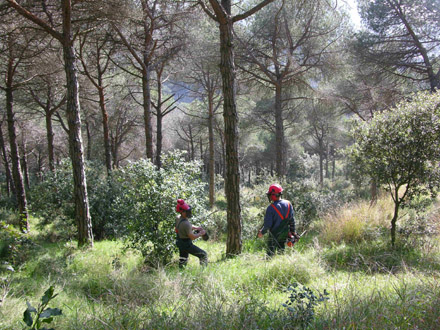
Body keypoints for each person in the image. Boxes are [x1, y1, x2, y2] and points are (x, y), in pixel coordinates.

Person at [257, 184, 299, 257]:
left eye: (270, 194)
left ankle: (269, 264)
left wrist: (262, 232)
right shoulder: (288, 204)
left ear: (273, 195)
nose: (269, 196)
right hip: (285, 232)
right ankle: (281, 263)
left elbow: (268, 224)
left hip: (274, 234)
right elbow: (292, 221)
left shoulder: (270, 208)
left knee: (270, 254)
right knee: (281, 252)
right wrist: (293, 233)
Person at [175, 199, 208, 268]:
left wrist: (196, 228)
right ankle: (203, 272)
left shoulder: (178, 218)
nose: (189, 213)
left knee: (183, 260)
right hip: (186, 244)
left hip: (179, 242)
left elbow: (186, 227)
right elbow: (192, 237)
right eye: (187, 211)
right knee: (203, 255)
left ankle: (181, 274)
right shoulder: (186, 223)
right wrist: (201, 233)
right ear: (182, 212)